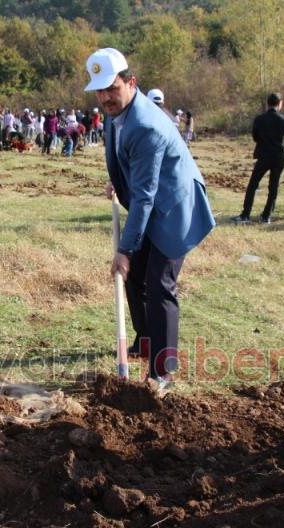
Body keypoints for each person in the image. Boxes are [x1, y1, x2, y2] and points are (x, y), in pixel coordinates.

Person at [84, 48, 215, 384]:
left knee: (159, 285)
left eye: (112, 88)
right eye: (100, 91)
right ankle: (146, 344)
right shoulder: (117, 114)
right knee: (134, 280)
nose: (106, 97)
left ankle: (163, 374)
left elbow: (145, 196)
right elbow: (126, 164)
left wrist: (125, 250)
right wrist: (117, 182)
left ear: (131, 82)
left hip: (175, 210)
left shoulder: (146, 124)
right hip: (151, 203)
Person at [233, 93, 284, 224]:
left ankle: (245, 214)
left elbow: (255, 137)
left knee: (253, 185)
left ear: (267, 103)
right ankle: (266, 216)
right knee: (273, 187)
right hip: (278, 156)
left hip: (263, 155)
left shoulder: (259, 119)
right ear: (279, 103)